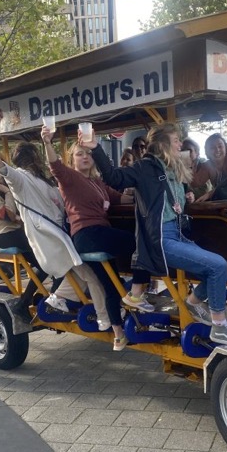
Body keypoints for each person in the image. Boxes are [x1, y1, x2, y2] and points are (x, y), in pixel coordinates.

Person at [84, 123, 227, 348]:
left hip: (177, 234)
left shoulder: (172, 169)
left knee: (222, 267)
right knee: (218, 265)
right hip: (161, 239)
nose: (180, 144)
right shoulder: (146, 167)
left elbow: (172, 201)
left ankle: (193, 302)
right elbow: (114, 178)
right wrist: (96, 148)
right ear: (163, 144)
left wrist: (186, 196)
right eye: (176, 140)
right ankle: (219, 327)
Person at [0, 142, 111, 342]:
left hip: (59, 235)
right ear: (34, 157)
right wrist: (1, 165)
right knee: (90, 276)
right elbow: (12, 176)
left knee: (81, 274)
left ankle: (58, 298)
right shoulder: (23, 178)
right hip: (50, 238)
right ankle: (103, 318)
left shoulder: (43, 180)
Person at [42, 124, 150, 350]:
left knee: (111, 284)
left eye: (88, 153)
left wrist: (144, 191)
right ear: (73, 159)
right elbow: (55, 166)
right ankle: (141, 289)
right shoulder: (69, 178)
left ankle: (118, 335)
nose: (85, 157)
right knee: (141, 243)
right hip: (87, 235)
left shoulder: (99, 183)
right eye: (79, 154)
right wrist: (47, 142)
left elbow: (122, 199)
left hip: (98, 236)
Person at [0, 157, 49, 317]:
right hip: (5, 234)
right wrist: (7, 194)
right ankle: (25, 302)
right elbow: (9, 216)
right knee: (46, 261)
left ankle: (27, 301)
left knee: (45, 262)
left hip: (20, 230)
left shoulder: (14, 181)